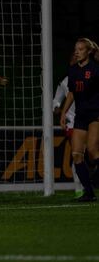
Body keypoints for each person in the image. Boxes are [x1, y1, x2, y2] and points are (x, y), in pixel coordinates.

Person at [60, 37, 99, 202]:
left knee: (92, 151)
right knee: (76, 155)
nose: (77, 51)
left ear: (88, 51)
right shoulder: (73, 70)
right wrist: (63, 112)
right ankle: (89, 193)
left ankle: (92, 184)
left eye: (80, 49)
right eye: (76, 49)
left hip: (95, 114)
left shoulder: (96, 69)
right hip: (80, 116)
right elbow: (71, 93)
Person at [53, 53, 83, 198]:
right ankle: (79, 189)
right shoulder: (65, 82)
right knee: (77, 155)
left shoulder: (92, 77)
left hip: (92, 122)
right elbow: (56, 102)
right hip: (73, 124)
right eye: (73, 60)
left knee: (91, 154)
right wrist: (59, 110)